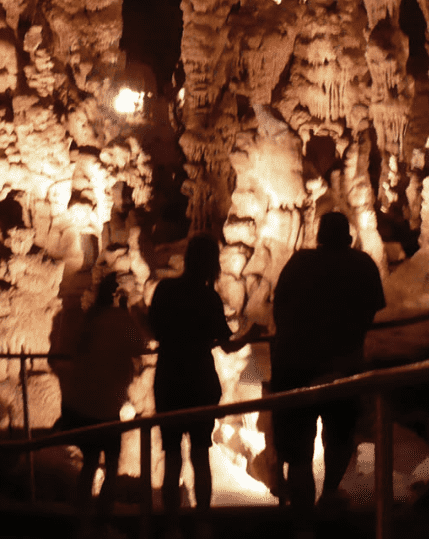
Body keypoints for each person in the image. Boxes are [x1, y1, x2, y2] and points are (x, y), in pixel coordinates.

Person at [271, 211, 385, 515]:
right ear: (348, 237)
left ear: (318, 236)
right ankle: (330, 493)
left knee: (297, 449)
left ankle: (303, 517)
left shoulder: (298, 264)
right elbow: (372, 312)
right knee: (339, 435)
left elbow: (279, 308)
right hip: (342, 365)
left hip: (294, 365)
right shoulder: (362, 265)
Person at [149, 233, 251, 530]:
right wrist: (252, 336)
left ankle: (170, 526)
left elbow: (154, 330)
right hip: (199, 380)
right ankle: (203, 522)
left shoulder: (165, 290)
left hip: (168, 378)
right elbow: (226, 343)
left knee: (171, 458)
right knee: (200, 454)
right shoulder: (208, 298)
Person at [53, 272, 147, 537]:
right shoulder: (119, 318)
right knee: (113, 462)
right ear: (117, 296)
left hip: (81, 404)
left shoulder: (90, 317)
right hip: (105, 406)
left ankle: (80, 521)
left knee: (90, 462)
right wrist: (129, 312)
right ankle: (102, 521)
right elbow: (140, 345)